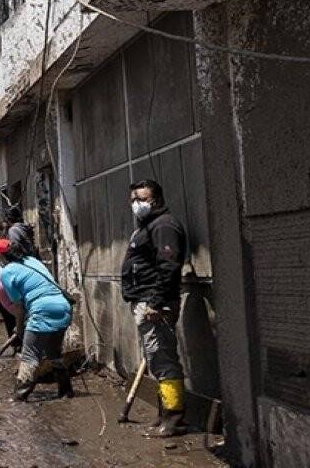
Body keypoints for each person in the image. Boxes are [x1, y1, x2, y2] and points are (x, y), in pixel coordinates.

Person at [122, 179, 188, 437]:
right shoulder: (147, 227)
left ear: (156, 199)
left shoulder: (164, 226)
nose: (137, 204)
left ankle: (174, 420)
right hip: (145, 302)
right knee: (156, 359)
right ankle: (164, 415)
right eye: (133, 200)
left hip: (155, 305)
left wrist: (155, 302)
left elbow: (169, 266)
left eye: (142, 199)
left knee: (163, 360)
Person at [1, 223, 74, 401]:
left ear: (1, 257)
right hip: (63, 306)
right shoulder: (32, 261)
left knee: (30, 354)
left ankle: (20, 395)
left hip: (42, 309)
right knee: (53, 352)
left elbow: (18, 307)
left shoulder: (7, 272)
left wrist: (19, 329)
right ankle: (66, 390)